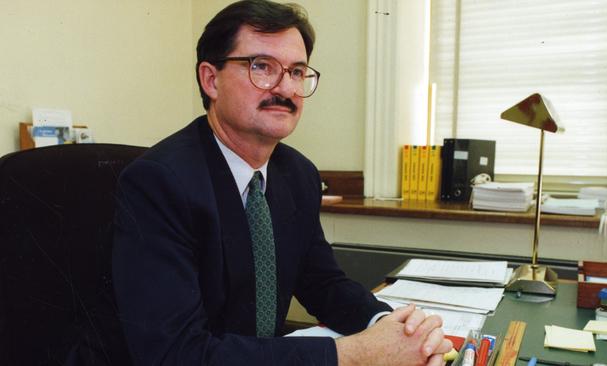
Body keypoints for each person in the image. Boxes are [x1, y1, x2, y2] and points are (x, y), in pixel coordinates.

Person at [112, 0, 452, 365]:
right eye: (262, 67)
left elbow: (324, 283)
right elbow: (177, 354)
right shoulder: (160, 182)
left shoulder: (298, 173)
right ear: (211, 79)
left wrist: (389, 326)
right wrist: (355, 354)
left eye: (296, 72)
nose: (285, 87)